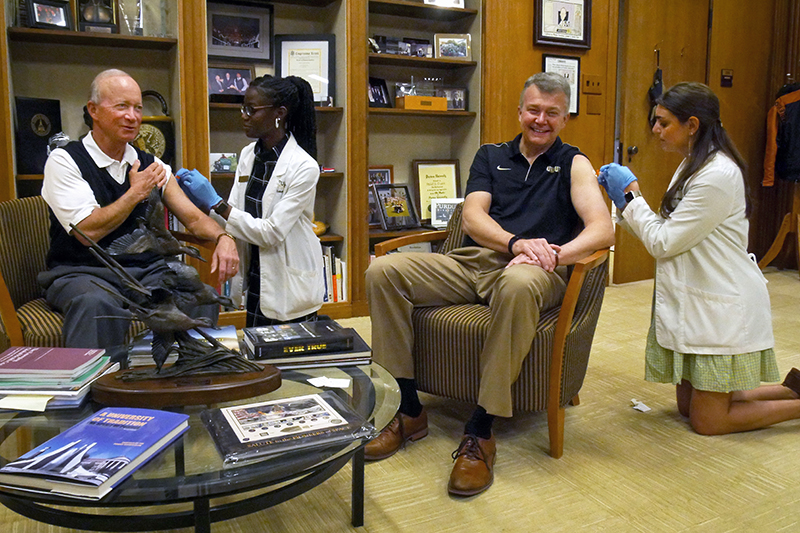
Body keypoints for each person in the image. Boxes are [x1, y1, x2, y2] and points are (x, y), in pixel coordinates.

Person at [364, 72, 614, 496]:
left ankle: (480, 430)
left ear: (564, 118)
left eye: (552, 113)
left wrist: (553, 254)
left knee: (517, 284)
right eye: (533, 110)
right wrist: (514, 241)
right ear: (520, 112)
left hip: (536, 272)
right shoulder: (490, 156)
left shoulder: (575, 163)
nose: (541, 120)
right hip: (476, 261)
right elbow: (475, 218)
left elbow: (602, 229)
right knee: (383, 271)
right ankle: (407, 409)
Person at [598, 81, 800, 436]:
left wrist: (631, 198)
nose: (654, 130)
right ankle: (790, 389)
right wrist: (626, 204)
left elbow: (663, 241)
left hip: (721, 304)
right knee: (687, 408)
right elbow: (664, 231)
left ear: (692, 125)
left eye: (663, 122)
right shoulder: (693, 163)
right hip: (697, 298)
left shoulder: (717, 175)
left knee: (708, 421)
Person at [39, 69, 239, 363]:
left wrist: (224, 237)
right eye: (121, 106)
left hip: (147, 272)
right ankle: (99, 397)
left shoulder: (150, 163)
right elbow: (86, 233)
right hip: (82, 272)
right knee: (96, 304)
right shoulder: (65, 160)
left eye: (137, 108)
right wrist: (136, 192)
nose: (132, 116)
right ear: (93, 110)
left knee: (197, 292)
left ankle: (193, 380)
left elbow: (193, 219)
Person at [177, 75, 324, 327]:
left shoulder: (304, 167)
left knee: (291, 360)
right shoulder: (247, 156)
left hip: (289, 280)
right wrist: (200, 203)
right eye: (243, 107)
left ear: (279, 113)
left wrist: (216, 202)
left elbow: (271, 232)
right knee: (259, 354)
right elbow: (233, 220)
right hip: (257, 274)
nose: (243, 115)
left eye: (251, 110)